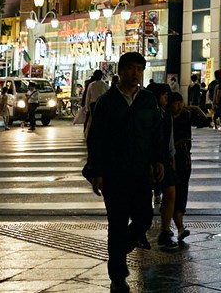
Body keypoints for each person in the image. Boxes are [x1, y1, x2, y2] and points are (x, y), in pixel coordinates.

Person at [86, 52, 167, 293]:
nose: (135, 74)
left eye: (140, 69)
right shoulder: (107, 102)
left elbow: (157, 133)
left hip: (141, 171)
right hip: (114, 173)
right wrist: (97, 171)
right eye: (131, 68)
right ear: (120, 71)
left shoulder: (148, 100)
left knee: (143, 218)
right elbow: (96, 139)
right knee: (118, 222)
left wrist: (159, 160)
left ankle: (119, 250)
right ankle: (118, 275)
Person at [167, 91, 209, 244]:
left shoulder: (186, 115)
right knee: (170, 191)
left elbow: (205, 121)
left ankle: (179, 226)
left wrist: (196, 109)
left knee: (182, 190)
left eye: (181, 102)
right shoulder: (164, 117)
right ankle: (168, 226)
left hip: (184, 158)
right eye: (175, 103)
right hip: (167, 159)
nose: (179, 106)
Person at [146, 83, 177, 249]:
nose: (167, 98)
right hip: (147, 159)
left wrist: (171, 156)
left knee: (170, 190)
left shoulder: (166, 114)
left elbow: (169, 138)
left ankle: (165, 230)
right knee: (144, 196)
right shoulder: (146, 113)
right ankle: (140, 229)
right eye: (164, 95)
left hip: (164, 157)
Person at [84, 70, 109, 135]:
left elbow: (88, 97)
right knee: (102, 119)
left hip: (93, 104)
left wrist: (86, 107)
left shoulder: (91, 85)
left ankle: (92, 132)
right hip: (103, 104)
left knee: (93, 119)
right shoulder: (105, 85)